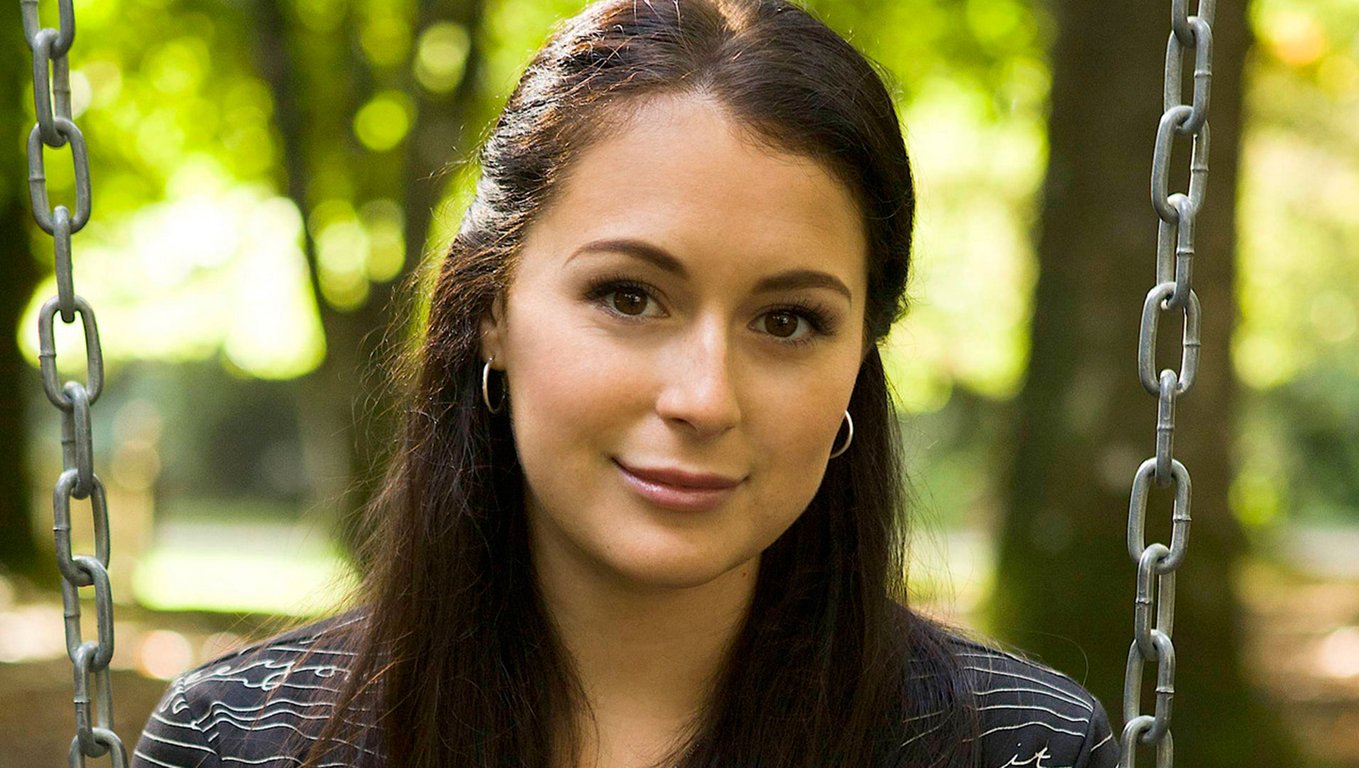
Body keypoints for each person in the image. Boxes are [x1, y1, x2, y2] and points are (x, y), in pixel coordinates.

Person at [132, 1, 1121, 766]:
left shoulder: (1020, 749)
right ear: (493, 312)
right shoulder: (243, 743)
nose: (703, 396)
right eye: (629, 296)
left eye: (787, 321)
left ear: (861, 356)